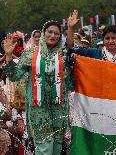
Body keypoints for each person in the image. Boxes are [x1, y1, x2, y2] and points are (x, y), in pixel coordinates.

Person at [2, 15, 77, 154]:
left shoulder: (63, 54)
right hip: (39, 110)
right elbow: (14, 75)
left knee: (56, 148)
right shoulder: (31, 53)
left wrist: (71, 28)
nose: (53, 35)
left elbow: (72, 77)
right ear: (43, 33)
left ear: (60, 36)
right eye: (50, 32)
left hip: (59, 108)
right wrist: (8, 56)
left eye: (56, 33)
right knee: (44, 148)